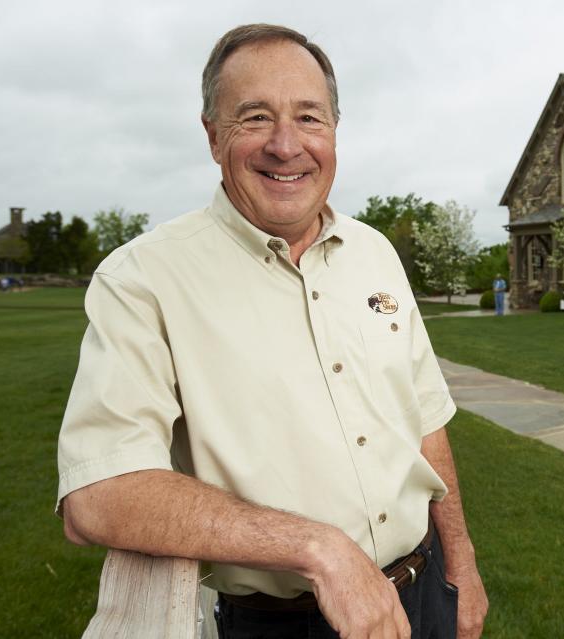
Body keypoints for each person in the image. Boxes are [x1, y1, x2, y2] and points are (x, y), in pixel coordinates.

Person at [57, 24, 487, 639]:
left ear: (334, 131)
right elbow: (99, 493)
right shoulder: (143, 278)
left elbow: (424, 422)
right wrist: (319, 548)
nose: (286, 146)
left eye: (309, 118)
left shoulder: (375, 253)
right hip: (284, 623)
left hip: (425, 595)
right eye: (255, 118)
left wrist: (463, 570)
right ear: (212, 136)